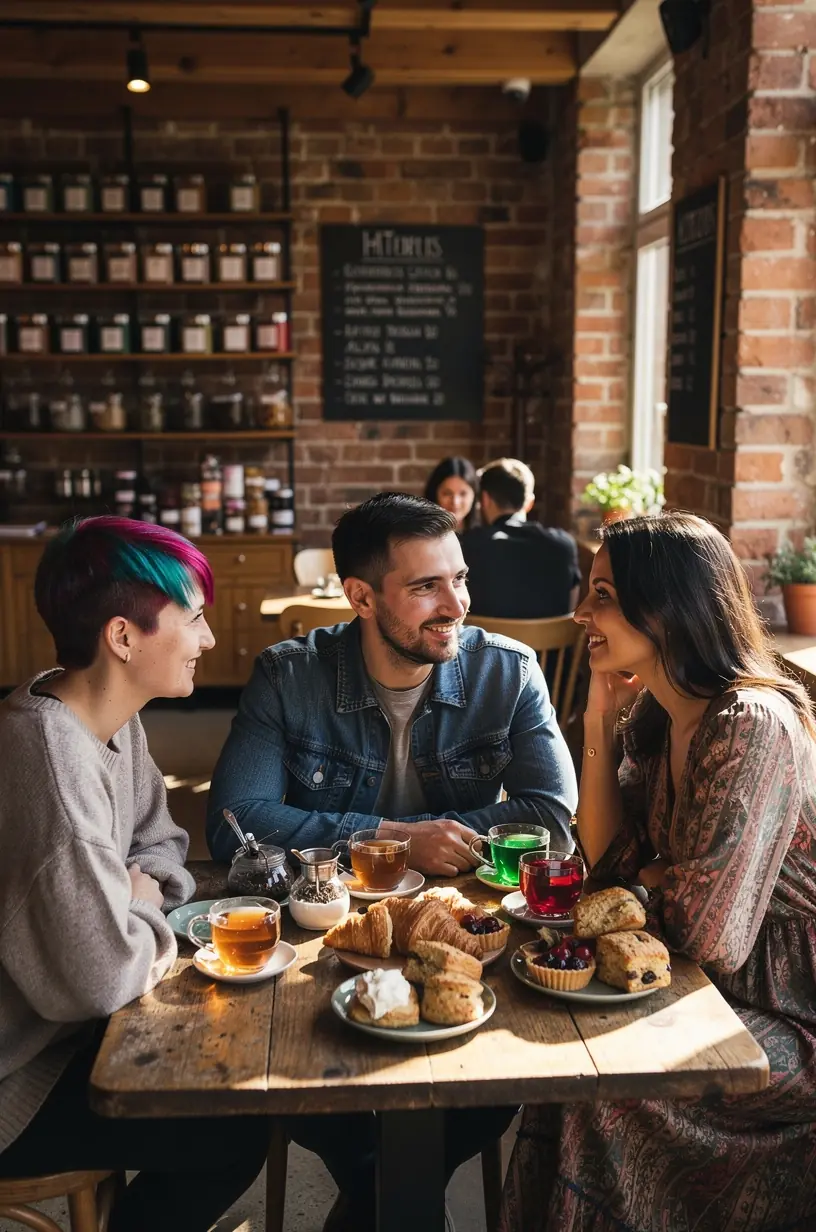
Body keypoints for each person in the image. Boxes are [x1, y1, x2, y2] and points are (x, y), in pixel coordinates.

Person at [499, 512, 816, 1232]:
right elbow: (606, 863)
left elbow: (711, 935)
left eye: (604, 594)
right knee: (560, 1043)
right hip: (707, 990)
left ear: (671, 605)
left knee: (605, 1081)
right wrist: (596, 727)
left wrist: (657, 880)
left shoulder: (751, 723)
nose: (583, 611)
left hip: (793, 1009)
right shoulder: (663, 714)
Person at [0, 517, 270, 1232]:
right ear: (123, 638)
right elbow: (101, 973)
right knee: (235, 1131)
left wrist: (132, 895)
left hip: (65, 1029)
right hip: (15, 1077)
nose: (209, 639)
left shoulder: (109, 716)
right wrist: (133, 914)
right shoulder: (53, 761)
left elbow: (163, 844)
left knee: (235, 1052)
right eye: (194, 618)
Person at [207, 491, 578, 867]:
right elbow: (234, 826)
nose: (456, 605)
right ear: (362, 598)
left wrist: (394, 840)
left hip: (465, 905)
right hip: (334, 904)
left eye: (460, 579)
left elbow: (551, 818)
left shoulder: (509, 671)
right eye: (426, 586)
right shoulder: (285, 677)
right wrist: (394, 841)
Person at [460, 458, 580, 619]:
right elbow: (570, 609)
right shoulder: (564, 545)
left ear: (486, 500)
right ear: (529, 502)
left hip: (486, 644)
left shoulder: (464, 546)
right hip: (546, 644)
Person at [424, 455, 479, 532]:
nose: (455, 502)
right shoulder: (420, 537)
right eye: (447, 493)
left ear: (474, 494)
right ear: (434, 493)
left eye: (463, 494)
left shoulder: (486, 539)